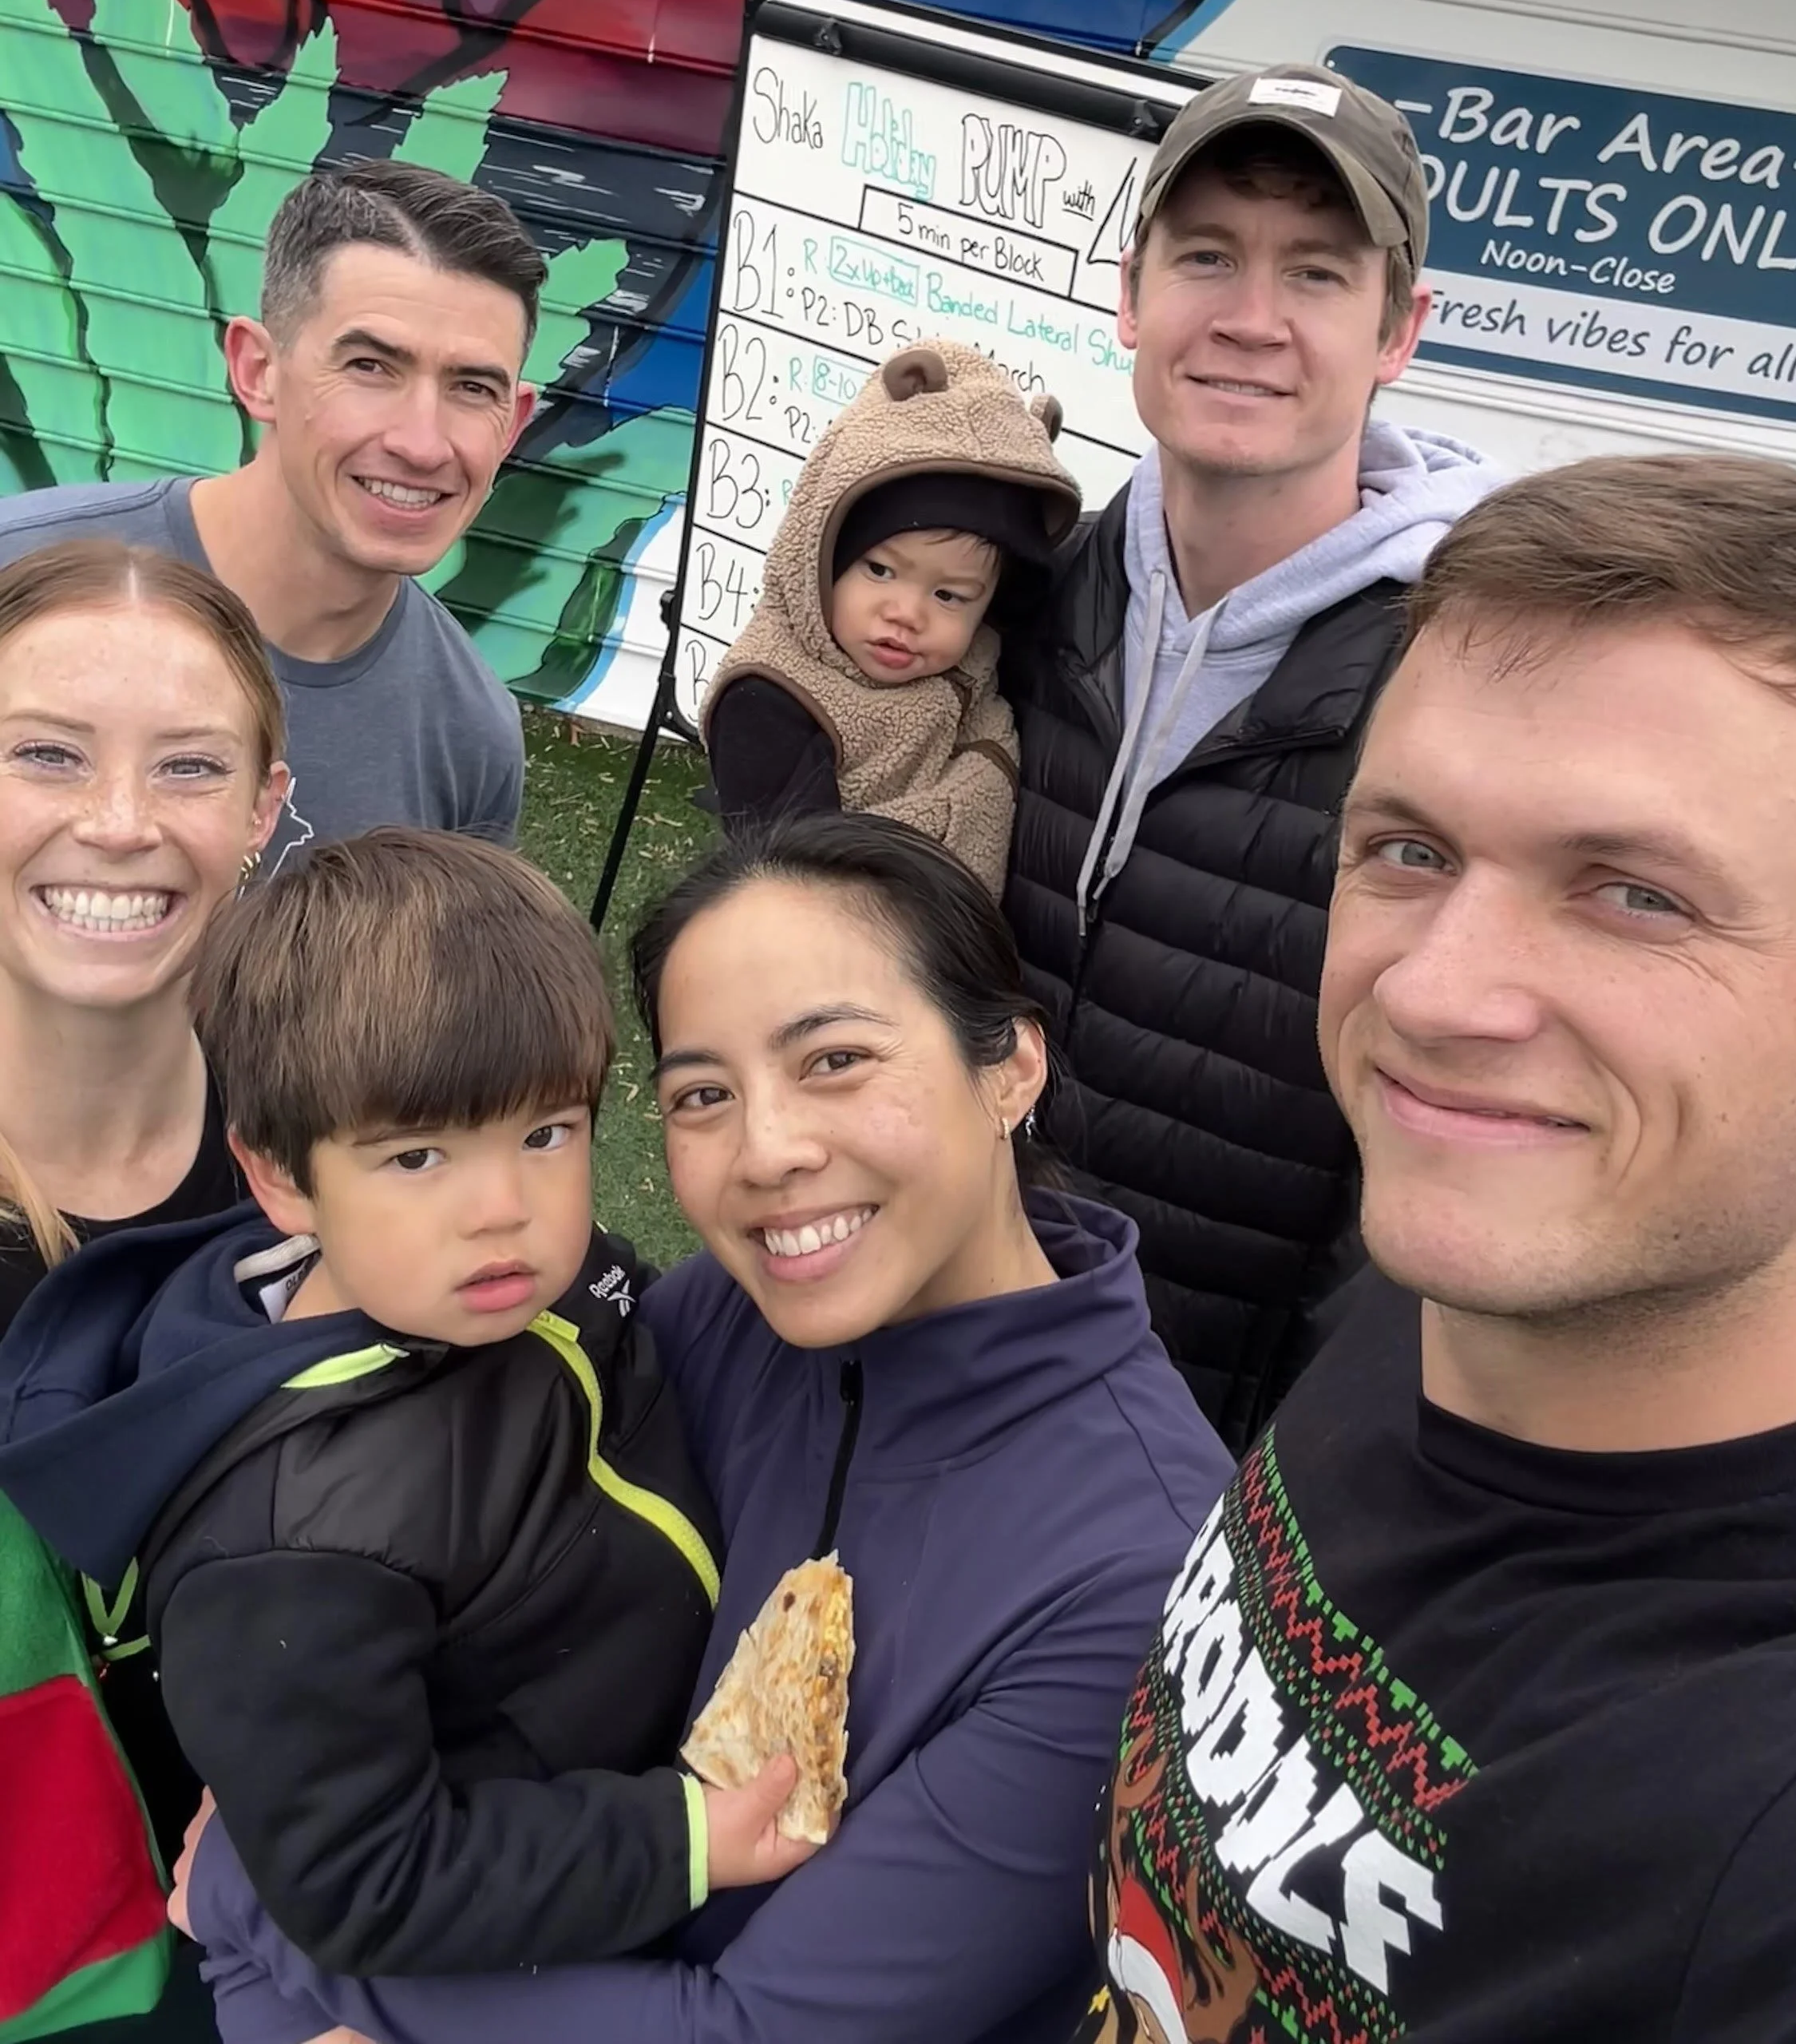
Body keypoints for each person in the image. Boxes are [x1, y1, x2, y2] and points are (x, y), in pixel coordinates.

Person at [172, 814, 1232, 2044]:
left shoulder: (1129, 1577)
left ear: (1011, 1068)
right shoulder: (718, 1318)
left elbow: (759, 2033)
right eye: (702, 1095)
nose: (768, 1151)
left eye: (834, 1059)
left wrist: (264, 1902)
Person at [1081, 454, 1796, 2044]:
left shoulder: (1792, 1821)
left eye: (1636, 893)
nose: (1430, 994)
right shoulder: (1438, 1281)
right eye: (1410, 850)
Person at [0, 827, 825, 1982]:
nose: (504, 1208)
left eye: (547, 1134)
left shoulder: (491, 1285)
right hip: (557, 1927)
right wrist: (680, 1839)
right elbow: (367, 1882)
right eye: (417, 1159)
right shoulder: (286, 1548)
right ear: (282, 1177)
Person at [1000, 60, 1501, 1446]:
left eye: (1319, 273)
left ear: (1400, 330)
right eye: (1208, 255)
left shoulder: (1462, 677)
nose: (1252, 320)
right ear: (1131, 294)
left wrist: (1305, 1463)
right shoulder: (1036, 584)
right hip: (959, 1358)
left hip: (1225, 1462)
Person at [0, 537, 287, 2042]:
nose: (117, 824)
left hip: (248, 1970)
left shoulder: (341, 1173)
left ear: (263, 809)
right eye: (46, 752)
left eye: (186, 767)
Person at [0, 160, 539, 872]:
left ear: (513, 424)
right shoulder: (19, 572)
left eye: (472, 387)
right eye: (370, 368)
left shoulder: (468, 738)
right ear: (257, 371)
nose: (421, 442)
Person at [702, 340, 1079, 895]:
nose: (906, 614)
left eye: (950, 596)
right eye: (879, 570)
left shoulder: (977, 673)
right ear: (821, 557)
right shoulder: (771, 698)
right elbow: (797, 885)